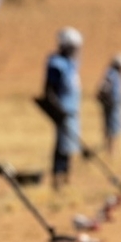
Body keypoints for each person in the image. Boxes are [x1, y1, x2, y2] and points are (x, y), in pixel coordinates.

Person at [41, 27, 83, 190]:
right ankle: (57, 180)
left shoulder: (71, 63)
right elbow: (48, 90)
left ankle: (67, 178)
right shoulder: (56, 64)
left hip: (72, 111)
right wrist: (58, 111)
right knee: (62, 147)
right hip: (63, 112)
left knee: (70, 147)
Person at [97, 51, 121, 156]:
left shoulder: (116, 75)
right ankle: (111, 151)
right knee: (113, 129)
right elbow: (103, 90)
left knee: (113, 128)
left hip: (115, 106)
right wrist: (110, 103)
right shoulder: (112, 75)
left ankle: (111, 150)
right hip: (112, 107)